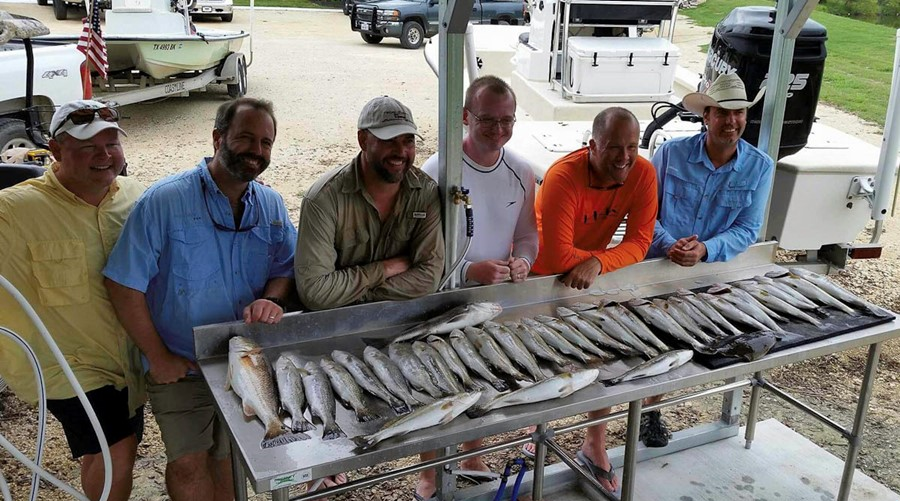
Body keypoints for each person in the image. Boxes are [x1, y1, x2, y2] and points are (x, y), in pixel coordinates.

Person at [103, 97, 296, 501]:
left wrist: (273, 299)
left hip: (245, 362)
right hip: (182, 365)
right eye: (245, 138)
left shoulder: (272, 205)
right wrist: (158, 358)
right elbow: (123, 284)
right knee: (189, 461)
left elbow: (286, 266)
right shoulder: (165, 201)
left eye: (266, 143)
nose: (256, 151)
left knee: (229, 456)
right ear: (217, 138)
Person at [0, 100, 145, 501]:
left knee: (107, 447)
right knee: (118, 450)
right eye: (87, 146)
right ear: (56, 150)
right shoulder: (14, 210)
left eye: (112, 143)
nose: (104, 155)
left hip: (128, 358)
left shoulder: (134, 197)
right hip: (66, 365)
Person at [416, 76, 538, 500]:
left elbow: (527, 236)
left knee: (484, 376)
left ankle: (472, 454)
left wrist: (523, 261)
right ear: (465, 116)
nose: (499, 130)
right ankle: (430, 475)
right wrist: (470, 271)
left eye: (508, 121)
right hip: (441, 298)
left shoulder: (522, 172)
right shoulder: (437, 171)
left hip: (493, 299)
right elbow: (421, 254)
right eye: (488, 120)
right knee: (439, 385)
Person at [641, 72, 774, 447]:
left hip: (713, 272)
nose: (732, 122)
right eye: (723, 113)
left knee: (690, 343)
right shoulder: (669, 154)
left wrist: (706, 249)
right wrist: (668, 244)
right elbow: (643, 213)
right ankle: (639, 408)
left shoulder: (760, 166)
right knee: (650, 341)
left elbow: (749, 229)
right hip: (657, 267)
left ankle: (651, 409)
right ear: (706, 117)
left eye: (739, 113)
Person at [531, 107, 659, 494]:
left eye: (633, 147)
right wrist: (597, 262)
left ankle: (594, 443)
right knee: (544, 363)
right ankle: (539, 434)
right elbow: (555, 256)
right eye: (614, 148)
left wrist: (600, 261)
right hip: (540, 278)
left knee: (600, 360)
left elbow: (641, 242)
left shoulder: (643, 173)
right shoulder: (562, 177)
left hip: (591, 275)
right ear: (592, 146)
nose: (624, 157)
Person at [294, 95, 444, 311]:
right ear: (363, 140)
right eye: (389, 140)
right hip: (335, 323)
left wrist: (351, 294)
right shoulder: (323, 199)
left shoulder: (425, 192)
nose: (401, 152)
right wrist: (385, 269)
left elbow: (429, 277)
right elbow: (315, 292)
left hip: (398, 318)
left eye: (408, 140)